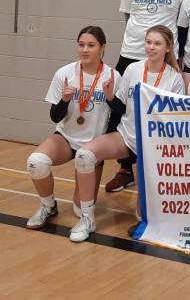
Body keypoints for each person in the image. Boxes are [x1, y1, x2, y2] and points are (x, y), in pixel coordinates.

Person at [70, 25, 184, 242]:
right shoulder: (132, 69)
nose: (151, 47)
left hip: (155, 142)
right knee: (84, 156)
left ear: (168, 48)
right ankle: (86, 219)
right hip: (127, 135)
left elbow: (175, 118)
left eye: (157, 43)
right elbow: (121, 108)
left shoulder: (174, 78)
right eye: (148, 42)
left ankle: (152, 216)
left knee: (143, 214)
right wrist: (112, 97)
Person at [107, 0, 188, 193]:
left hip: (162, 55)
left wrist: (166, 50)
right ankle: (125, 168)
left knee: (163, 109)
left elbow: (179, 21)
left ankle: (156, 167)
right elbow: (129, 15)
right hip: (133, 51)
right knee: (119, 108)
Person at [26, 26, 120, 229]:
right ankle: (48, 206)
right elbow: (55, 116)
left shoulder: (112, 76)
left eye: (91, 45)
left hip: (93, 144)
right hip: (66, 138)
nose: (85, 50)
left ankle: (86, 215)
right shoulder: (65, 73)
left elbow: (119, 116)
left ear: (102, 48)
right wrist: (64, 100)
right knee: (36, 162)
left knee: (79, 210)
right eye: (81, 45)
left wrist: (111, 99)